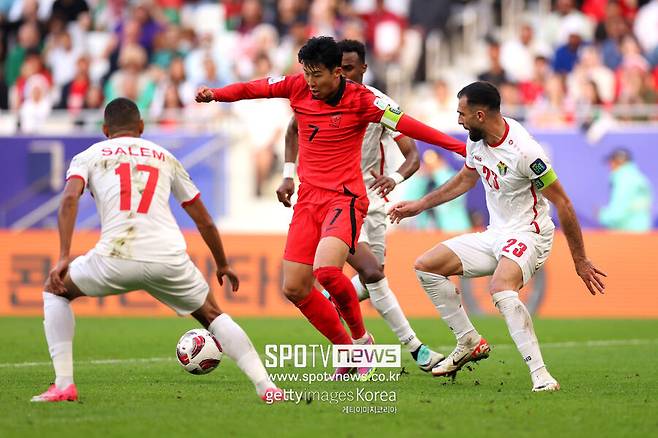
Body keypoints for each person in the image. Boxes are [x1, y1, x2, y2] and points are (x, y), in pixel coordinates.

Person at [196, 36, 466, 380]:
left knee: (327, 271)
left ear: (338, 72)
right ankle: (347, 349)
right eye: (307, 73)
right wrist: (215, 94)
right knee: (294, 288)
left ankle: (362, 340)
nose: (311, 82)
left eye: (317, 75)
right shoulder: (298, 88)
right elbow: (255, 88)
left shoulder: (364, 100)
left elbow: (412, 126)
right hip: (308, 200)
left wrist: (457, 147)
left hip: (346, 199)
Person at [31, 98, 283, 403]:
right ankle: (266, 386)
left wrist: (63, 256)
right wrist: (222, 264)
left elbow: (69, 200)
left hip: (114, 257)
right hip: (168, 258)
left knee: (56, 290)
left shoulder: (88, 156)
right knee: (213, 315)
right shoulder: (165, 156)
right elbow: (203, 219)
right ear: (140, 127)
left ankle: (64, 385)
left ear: (104, 129)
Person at [389, 82, 606, 392]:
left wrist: (580, 259)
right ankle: (469, 340)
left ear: (480, 114)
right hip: (496, 234)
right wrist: (420, 205)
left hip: (530, 233)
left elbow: (563, 202)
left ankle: (541, 375)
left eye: (462, 114)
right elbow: (466, 178)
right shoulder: (476, 141)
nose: (459, 120)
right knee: (426, 265)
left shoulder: (526, 151)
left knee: (500, 288)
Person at [277, 39, 444, 373]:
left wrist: (394, 179)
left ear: (361, 68)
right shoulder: (318, 98)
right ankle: (414, 348)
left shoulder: (378, 105)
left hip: (373, 203)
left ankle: (333, 307)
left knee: (370, 278)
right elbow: (293, 130)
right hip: (338, 200)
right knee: (371, 272)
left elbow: (412, 155)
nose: (346, 75)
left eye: (351, 69)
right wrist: (288, 174)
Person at [599, 148, 653, 232]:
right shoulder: (639, 177)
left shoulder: (623, 179)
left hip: (627, 233)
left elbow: (618, 211)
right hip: (643, 231)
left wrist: (602, 215)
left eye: (611, 162)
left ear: (618, 162)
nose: (610, 166)